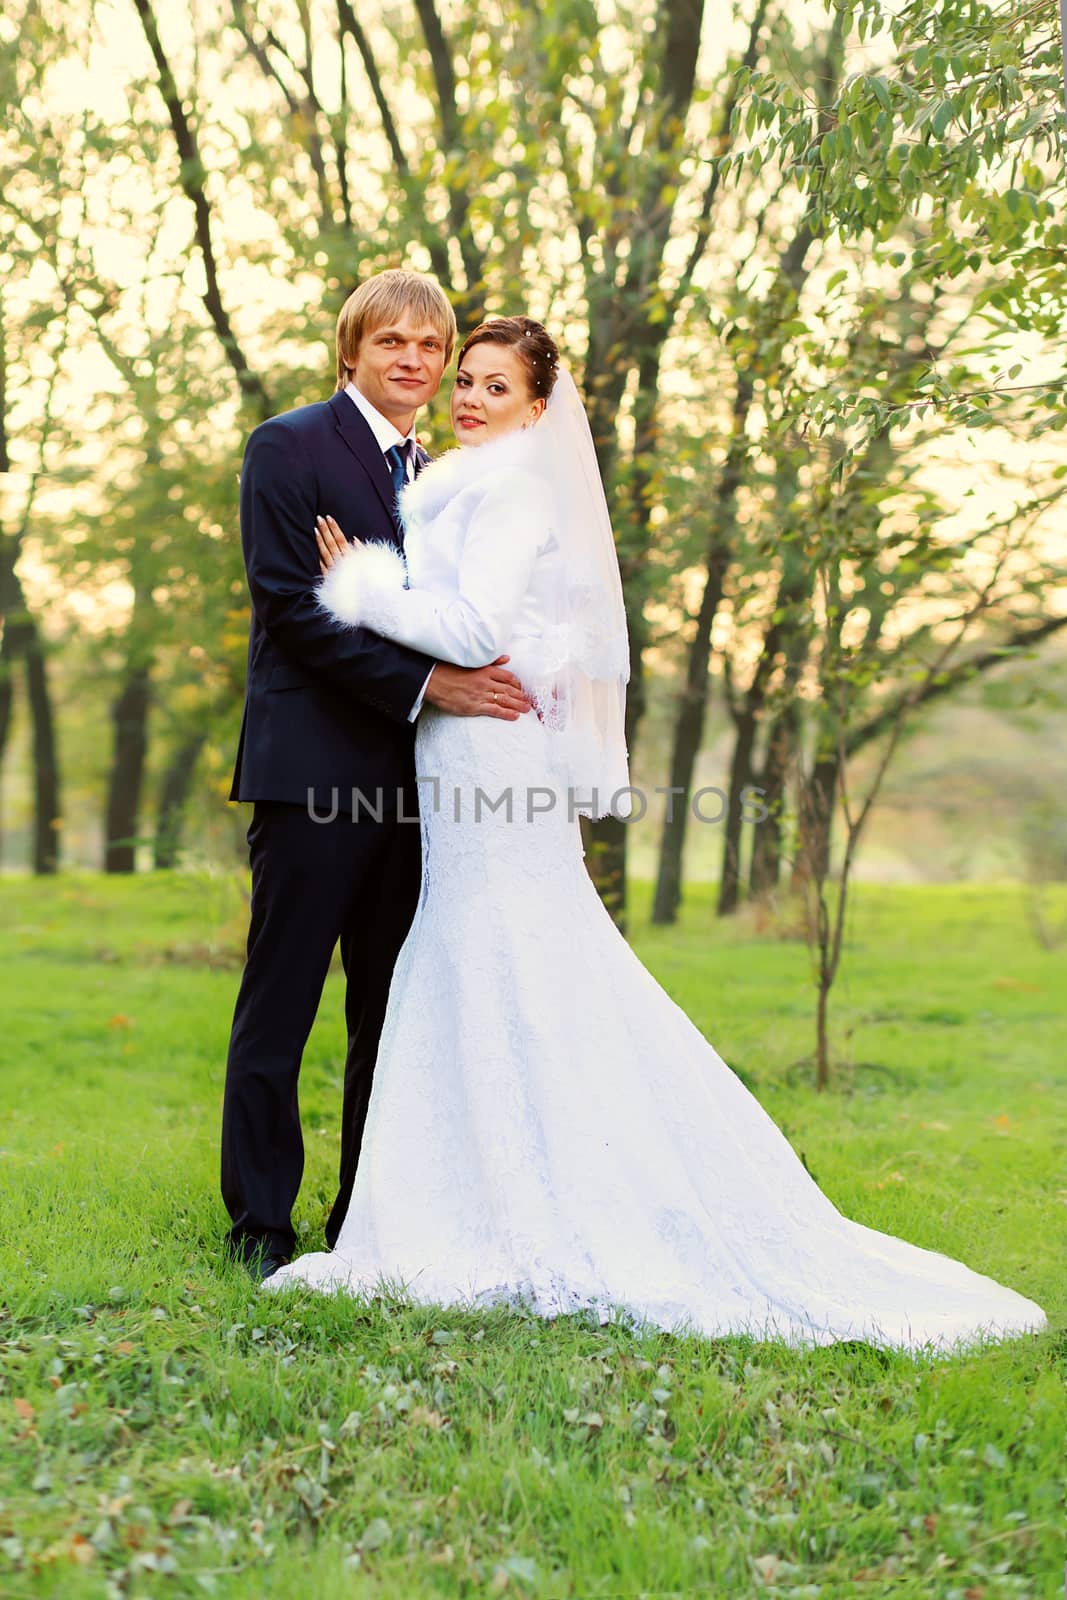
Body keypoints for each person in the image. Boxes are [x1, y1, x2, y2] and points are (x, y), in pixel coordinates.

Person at [262, 316, 1046, 1351]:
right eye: (466, 381)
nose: (467, 398)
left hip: (486, 749)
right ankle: (471, 1193)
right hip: (462, 756)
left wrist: (364, 585)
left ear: (538, 408)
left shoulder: (511, 491)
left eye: (495, 387)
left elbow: (474, 634)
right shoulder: (464, 482)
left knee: (503, 955)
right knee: (479, 957)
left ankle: (521, 1203)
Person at [221, 271, 534, 1283]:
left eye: (430, 348)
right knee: (282, 1002)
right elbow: (291, 609)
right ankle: (259, 1222)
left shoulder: (443, 472)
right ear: (350, 348)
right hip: (311, 772)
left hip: (417, 790)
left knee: (388, 1011)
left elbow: (444, 604)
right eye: (391, 341)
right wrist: (429, 683)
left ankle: (365, 1215)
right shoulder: (289, 446)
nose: (413, 360)